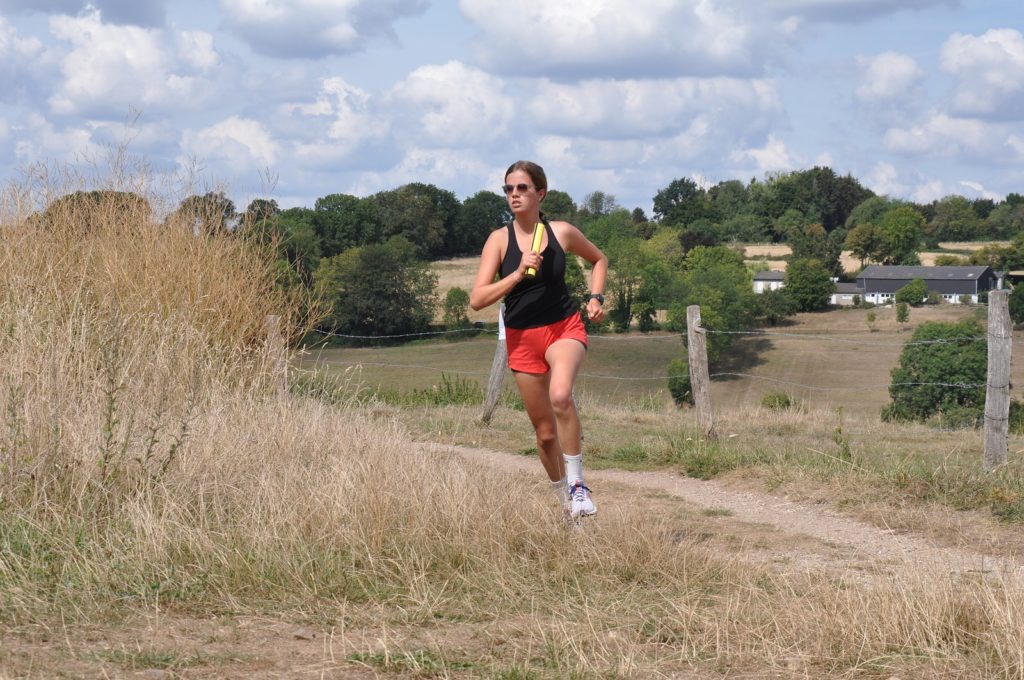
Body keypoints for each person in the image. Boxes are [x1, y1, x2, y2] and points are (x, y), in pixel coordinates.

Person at [470, 160, 608, 520]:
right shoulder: (499, 240)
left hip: (563, 328)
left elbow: (599, 260)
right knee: (545, 435)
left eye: (522, 188)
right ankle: (566, 503)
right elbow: (478, 299)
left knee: (561, 395)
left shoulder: (561, 232)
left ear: (540, 193)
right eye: (508, 189)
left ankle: (578, 487)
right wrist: (517, 274)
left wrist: (596, 298)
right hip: (521, 338)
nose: (514, 195)